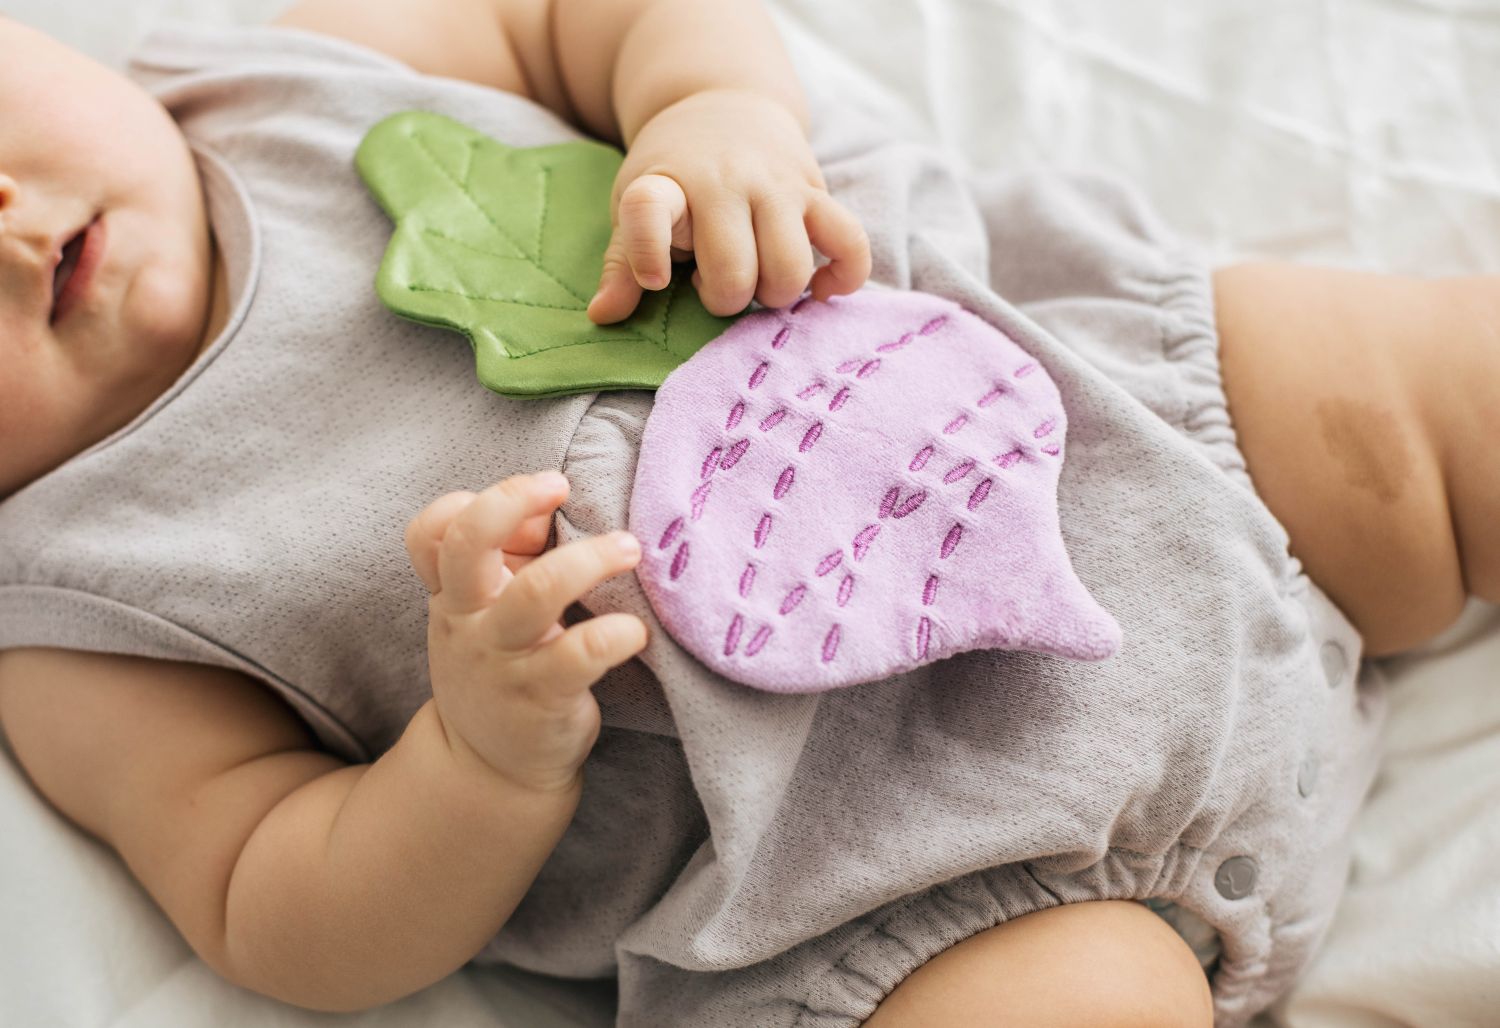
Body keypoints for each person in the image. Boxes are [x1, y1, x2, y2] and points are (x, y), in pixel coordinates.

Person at [0, 1, 1493, 1024]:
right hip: (926, 881)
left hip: (1121, 421)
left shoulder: (283, 70)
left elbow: (592, 15)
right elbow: (278, 904)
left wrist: (705, 107)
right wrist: (472, 760)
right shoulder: (78, 616)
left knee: (1429, 392)